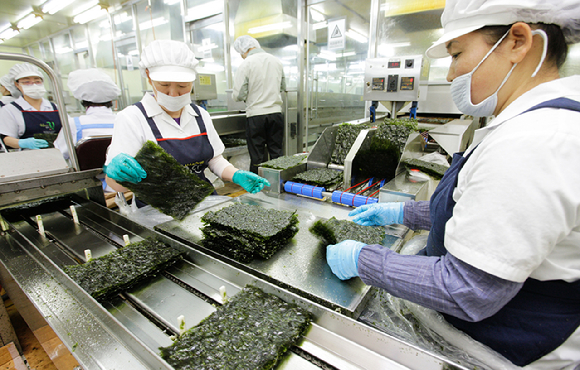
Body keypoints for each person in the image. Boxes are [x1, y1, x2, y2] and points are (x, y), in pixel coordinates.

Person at [326, 0, 580, 368]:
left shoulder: (534, 141)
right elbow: (483, 210)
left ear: (518, 42)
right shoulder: (528, 123)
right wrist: (405, 212)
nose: (449, 76)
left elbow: (469, 290)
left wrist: (364, 260)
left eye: (456, 54)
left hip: (511, 346)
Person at [104, 39, 270, 197]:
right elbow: (115, 184)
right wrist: (116, 175)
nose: (173, 93)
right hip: (157, 211)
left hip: (204, 201)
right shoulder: (132, 118)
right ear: (149, 76)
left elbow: (215, 160)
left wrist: (236, 175)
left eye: (183, 86)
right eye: (164, 85)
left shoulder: (200, 115)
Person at [232, 35, 286, 174]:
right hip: (276, 114)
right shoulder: (276, 61)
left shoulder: (246, 64)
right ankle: (278, 185)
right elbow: (282, 87)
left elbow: (238, 95)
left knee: (257, 156)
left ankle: (258, 189)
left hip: (256, 116)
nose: (242, 56)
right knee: (276, 153)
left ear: (244, 50)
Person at [54, 68, 121, 160]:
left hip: (86, 174)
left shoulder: (74, 124)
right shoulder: (123, 120)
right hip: (121, 173)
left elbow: (60, 154)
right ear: (111, 100)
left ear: (83, 100)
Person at [0, 63, 62, 150]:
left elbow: (70, 131)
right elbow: (6, 139)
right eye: (26, 82)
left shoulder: (56, 108)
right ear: (17, 84)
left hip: (59, 156)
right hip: (29, 158)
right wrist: (23, 143)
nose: (33, 85)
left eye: (37, 81)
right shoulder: (10, 109)